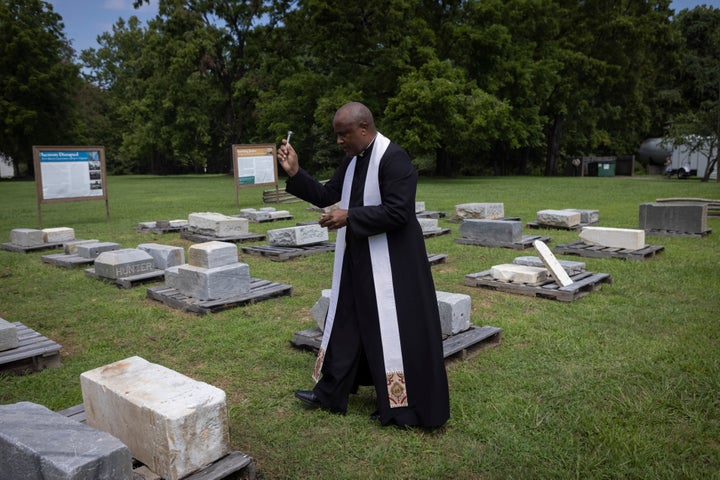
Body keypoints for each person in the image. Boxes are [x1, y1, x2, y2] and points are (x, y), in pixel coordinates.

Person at [277, 102, 450, 428]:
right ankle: (330, 392)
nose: (339, 141)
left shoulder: (394, 158)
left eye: (343, 135)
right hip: (358, 259)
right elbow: (328, 192)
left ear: (364, 129)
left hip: (394, 265)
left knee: (395, 332)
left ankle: (402, 407)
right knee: (345, 322)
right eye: (337, 135)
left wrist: (349, 216)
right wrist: (296, 173)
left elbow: (399, 212)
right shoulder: (353, 160)